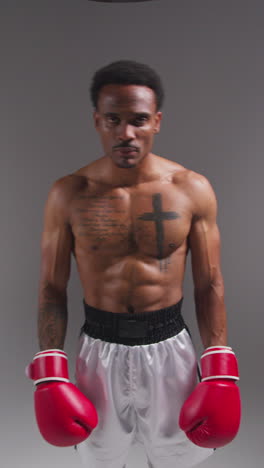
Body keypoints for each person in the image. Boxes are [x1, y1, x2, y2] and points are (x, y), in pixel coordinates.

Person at [27, 60, 241, 468]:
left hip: (170, 350)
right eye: (113, 119)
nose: (126, 133)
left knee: (177, 460)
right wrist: (51, 372)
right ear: (97, 121)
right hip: (98, 350)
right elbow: (51, 289)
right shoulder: (69, 193)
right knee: (103, 461)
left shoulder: (191, 190)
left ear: (157, 121)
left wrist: (218, 370)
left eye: (139, 120)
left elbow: (209, 283)